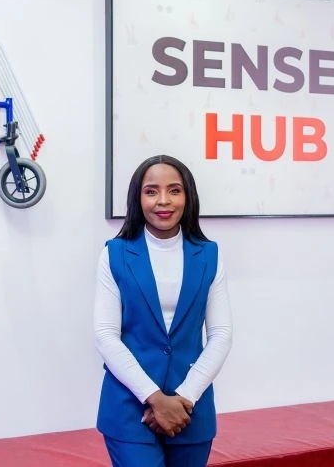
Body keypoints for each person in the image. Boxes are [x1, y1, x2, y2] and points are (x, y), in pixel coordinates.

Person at [93, 154, 233, 467]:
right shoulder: (114, 254)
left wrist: (184, 398)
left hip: (191, 407)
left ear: (188, 196)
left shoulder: (209, 255)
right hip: (129, 406)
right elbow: (105, 336)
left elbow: (221, 334)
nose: (163, 201)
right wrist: (154, 399)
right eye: (151, 191)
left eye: (174, 190)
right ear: (137, 198)